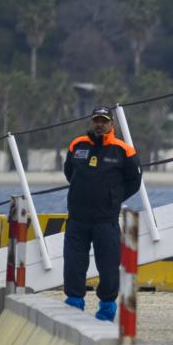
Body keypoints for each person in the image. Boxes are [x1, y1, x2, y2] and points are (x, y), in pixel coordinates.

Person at [62, 107, 142, 321]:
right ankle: (74, 304)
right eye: (96, 120)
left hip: (105, 221)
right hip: (77, 220)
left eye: (104, 121)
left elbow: (134, 182)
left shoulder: (124, 151)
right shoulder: (77, 145)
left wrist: (113, 198)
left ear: (111, 124)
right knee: (73, 264)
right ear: (92, 122)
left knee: (108, 268)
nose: (99, 124)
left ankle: (106, 308)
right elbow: (69, 173)